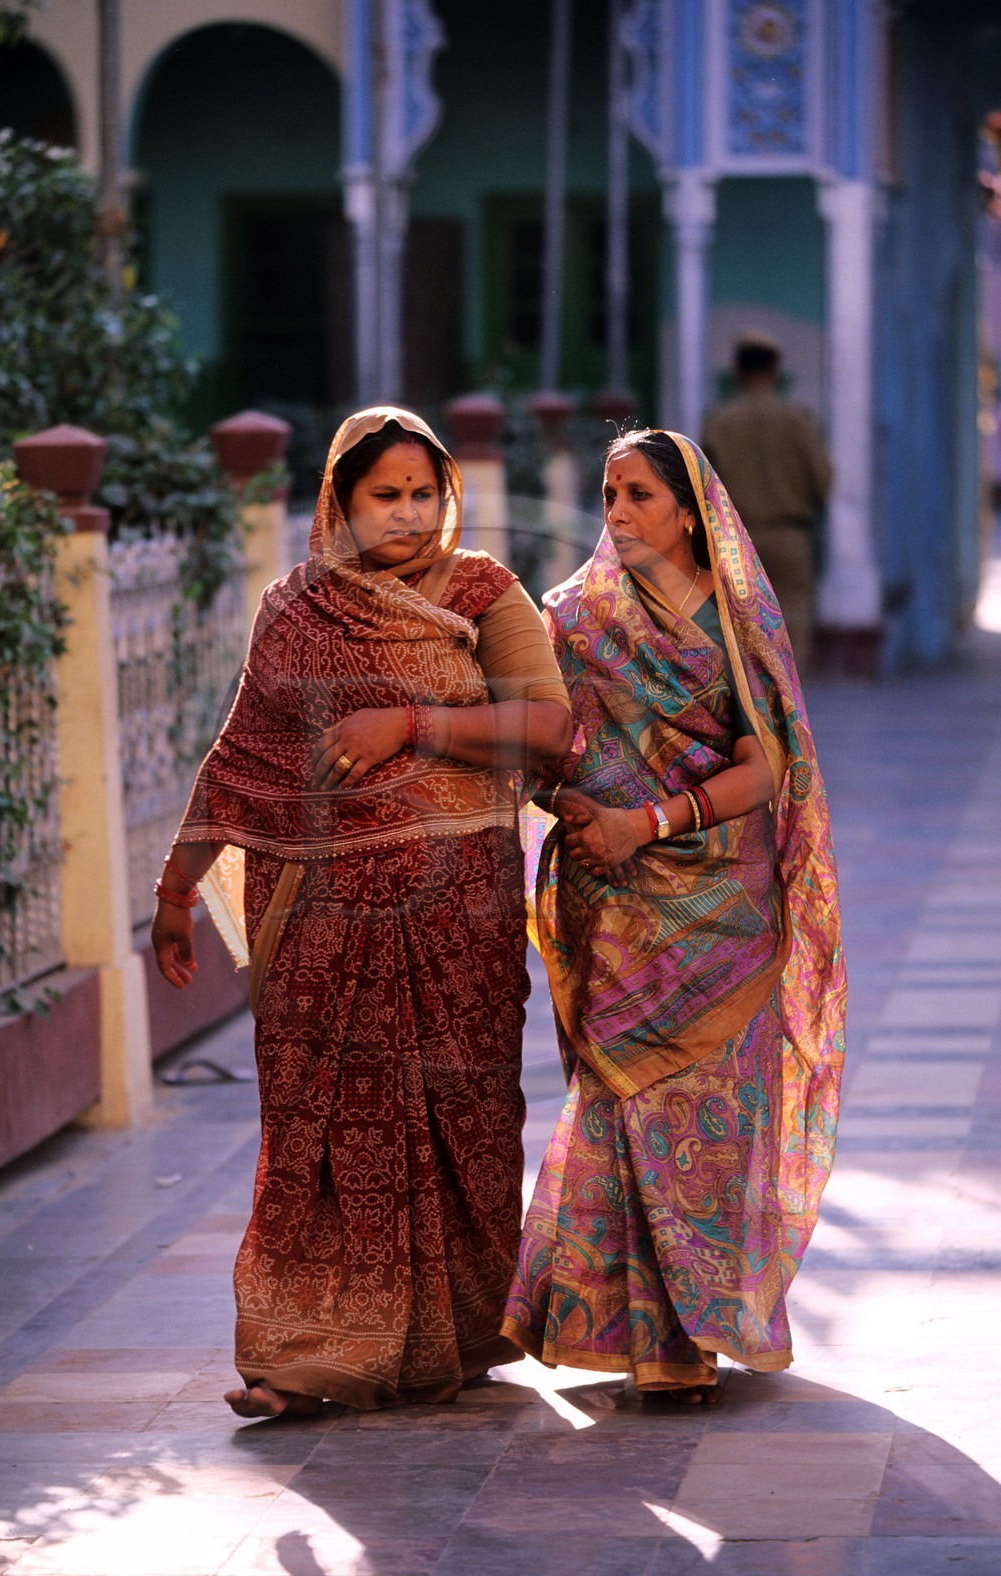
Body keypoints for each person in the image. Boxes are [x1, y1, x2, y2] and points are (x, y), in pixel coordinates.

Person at [152, 406, 572, 1417]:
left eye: (424, 494)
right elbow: (242, 758)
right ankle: (304, 1358)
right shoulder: (295, 608)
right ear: (339, 502)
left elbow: (549, 728)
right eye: (386, 495)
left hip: (457, 915)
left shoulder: (483, 592)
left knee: (461, 1122)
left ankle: (452, 1337)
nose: (408, 514)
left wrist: (412, 723)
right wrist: (175, 888)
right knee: (321, 1136)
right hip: (318, 918)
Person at [503, 427, 846, 1402]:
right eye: (609, 492)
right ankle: (642, 1336)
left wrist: (646, 821)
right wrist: (580, 810)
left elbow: (765, 765)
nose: (617, 511)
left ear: (691, 513)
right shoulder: (573, 617)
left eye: (639, 494)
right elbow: (543, 745)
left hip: (721, 904)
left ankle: (701, 1322)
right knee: (625, 1104)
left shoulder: (738, 621)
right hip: (613, 901)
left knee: (711, 1118)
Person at [701, 333, 832, 670]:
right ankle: (785, 699)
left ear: (737, 370)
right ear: (775, 370)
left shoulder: (719, 423)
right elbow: (822, 479)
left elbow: (701, 487)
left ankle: (751, 701)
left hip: (736, 540)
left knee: (740, 633)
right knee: (792, 628)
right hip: (790, 536)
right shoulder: (797, 420)